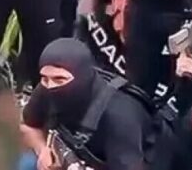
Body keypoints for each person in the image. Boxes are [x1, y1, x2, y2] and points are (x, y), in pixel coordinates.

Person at [20, 38, 162, 170]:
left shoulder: (120, 116)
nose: (51, 85)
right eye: (45, 78)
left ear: (81, 77)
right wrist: (43, 150)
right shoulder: (46, 87)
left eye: (60, 79)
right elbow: (29, 126)